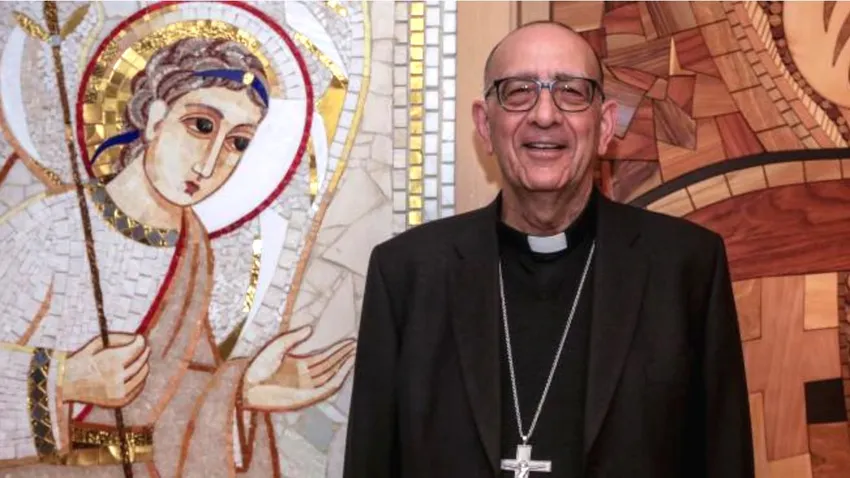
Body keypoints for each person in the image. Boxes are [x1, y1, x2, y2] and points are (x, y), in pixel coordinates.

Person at [343, 21, 753, 478]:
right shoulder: (407, 273)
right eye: (518, 91)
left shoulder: (686, 267)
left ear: (604, 125)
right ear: (485, 124)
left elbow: (724, 461)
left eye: (571, 92)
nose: (544, 114)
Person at [0, 38, 353, 476]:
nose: (209, 164)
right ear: (154, 118)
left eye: (238, 143)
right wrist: (66, 380)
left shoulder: (192, 247)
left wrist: (241, 389)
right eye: (201, 126)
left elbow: (174, 397)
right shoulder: (47, 227)